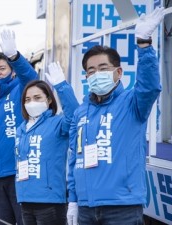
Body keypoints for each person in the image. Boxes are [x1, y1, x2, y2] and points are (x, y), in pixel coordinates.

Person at [66, 7, 166, 225]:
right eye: (91, 71)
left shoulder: (132, 103)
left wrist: (144, 44)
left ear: (118, 72)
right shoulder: (81, 112)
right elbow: (75, 158)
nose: (96, 74)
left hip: (122, 208)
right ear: (86, 77)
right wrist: (73, 199)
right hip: (86, 207)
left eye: (103, 68)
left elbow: (149, 87)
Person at [0, 29, 38, 225]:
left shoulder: (20, 91)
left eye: (2, 68)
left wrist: (14, 57)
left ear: (12, 71)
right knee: (3, 223)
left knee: (23, 221)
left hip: (17, 172)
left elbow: (31, 78)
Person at [14, 62, 79, 225]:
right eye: (27, 99)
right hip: (25, 200)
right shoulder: (22, 128)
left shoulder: (57, 123)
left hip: (50, 202)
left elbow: (75, 116)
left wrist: (61, 87)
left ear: (49, 100)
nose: (31, 103)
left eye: (37, 98)